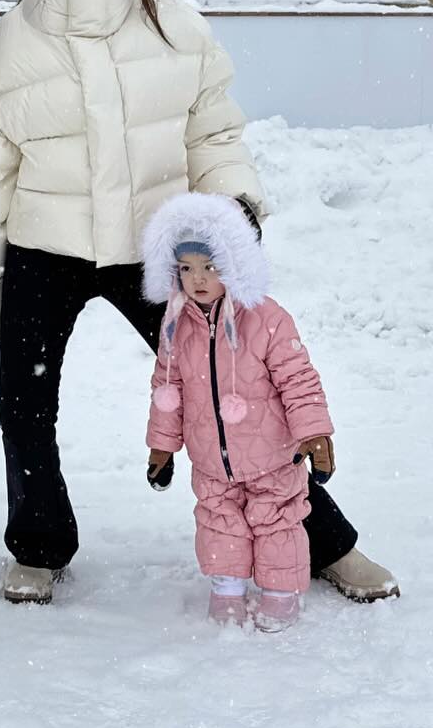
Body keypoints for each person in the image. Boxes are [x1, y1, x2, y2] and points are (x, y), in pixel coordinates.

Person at [0, 0, 398, 606]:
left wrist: (234, 204)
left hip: (161, 255)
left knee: (243, 388)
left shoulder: (175, 25)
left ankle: (325, 542)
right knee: (24, 408)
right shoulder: (11, 44)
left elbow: (211, 129)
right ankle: (38, 546)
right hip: (44, 251)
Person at [142, 193, 338, 632]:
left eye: (210, 267)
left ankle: (280, 594)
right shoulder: (176, 324)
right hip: (211, 460)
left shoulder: (268, 319)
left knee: (278, 521)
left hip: (271, 456)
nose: (198, 279)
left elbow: (298, 379)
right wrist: (161, 447)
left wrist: (314, 434)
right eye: (187, 268)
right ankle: (227, 589)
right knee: (219, 522)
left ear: (236, 263)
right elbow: (166, 387)